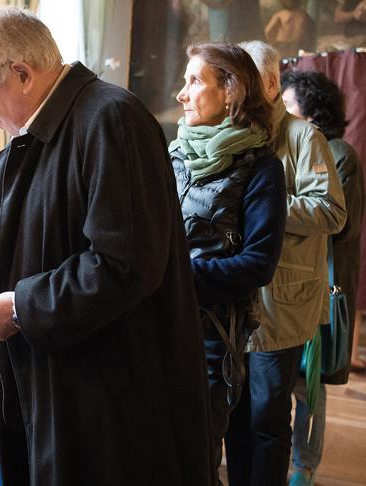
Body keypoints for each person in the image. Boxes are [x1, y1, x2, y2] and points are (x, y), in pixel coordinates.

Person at [0, 7, 213, 485]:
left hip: (105, 394)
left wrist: (19, 308)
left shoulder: (111, 118)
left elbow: (125, 264)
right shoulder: (36, 134)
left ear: (22, 74)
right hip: (49, 384)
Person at [227, 41, 346, 486]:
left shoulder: (303, 137)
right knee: (234, 418)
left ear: (271, 83)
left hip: (282, 306)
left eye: (239, 81)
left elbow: (332, 212)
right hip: (234, 302)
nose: (231, 91)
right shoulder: (230, 133)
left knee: (267, 421)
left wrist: (266, 205)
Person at [170, 42, 287, 485]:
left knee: (195, 462)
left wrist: (174, 277)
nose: (182, 93)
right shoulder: (176, 155)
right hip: (155, 327)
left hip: (211, 339)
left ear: (231, 91)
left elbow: (258, 265)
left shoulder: (262, 167)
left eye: (195, 81)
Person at [281, 70, 364, 486]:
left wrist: (275, 207)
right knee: (285, 379)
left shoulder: (338, 153)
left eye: (288, 105)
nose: (280, 112)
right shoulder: (292, 147)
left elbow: (338, 225)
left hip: (320, 286)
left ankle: (304, 467)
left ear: (312, 113)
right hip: (292, 283)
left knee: (308, 383)